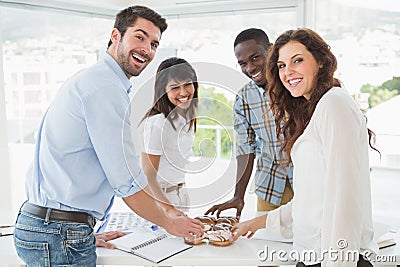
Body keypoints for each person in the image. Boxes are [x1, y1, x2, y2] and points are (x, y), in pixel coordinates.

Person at [13, 6, 203, 266]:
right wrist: (171, 223)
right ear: (116, 36)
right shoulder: (105, 88)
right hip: (57, 232)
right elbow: (125, 181)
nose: (147, 49)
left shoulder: (95, 80)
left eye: (154, 43)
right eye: (139, 36)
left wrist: (83, 234)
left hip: (53, 228)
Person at [232, 28, 379, 266]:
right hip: (311, 255)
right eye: (281, 65)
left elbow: (344, 199)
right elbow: (311, 201)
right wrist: (254, 223)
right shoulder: (316, 109)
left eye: (297, 61)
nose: (288, 72)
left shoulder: (334, 104)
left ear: (320, 61)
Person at [206, 28, 293, 219]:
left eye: (255, 58)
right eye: (243, 63)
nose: (250, 68)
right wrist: (238, 195)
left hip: (308, 183)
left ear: (271, 50)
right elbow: (246, 148)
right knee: (270, 243)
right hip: (269, 187)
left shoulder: (295, 84)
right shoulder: (244, 97)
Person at [140, 57, 198, 213]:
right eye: (174, 87)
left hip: (181, 194)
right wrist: (169, 210)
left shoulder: (185, 119)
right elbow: (148, 177)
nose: (183, 92)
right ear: (162, 90)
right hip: (162, 200)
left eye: (187, 84)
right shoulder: (157, 123)